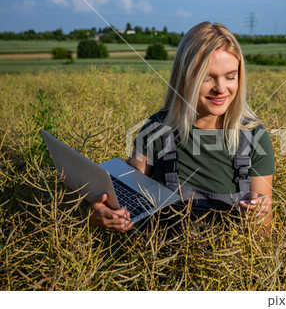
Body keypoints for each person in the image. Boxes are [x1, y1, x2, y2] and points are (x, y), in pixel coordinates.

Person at [88, 21, 275, 234]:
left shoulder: (254, 136)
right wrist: (98, 216)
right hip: (161, 262)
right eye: (207, 78)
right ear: (184, 77)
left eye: (230, 76)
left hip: (231, 263)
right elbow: (123, 201)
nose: (221, 89)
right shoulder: (156, 128)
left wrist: (258, 213)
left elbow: (265, 234)